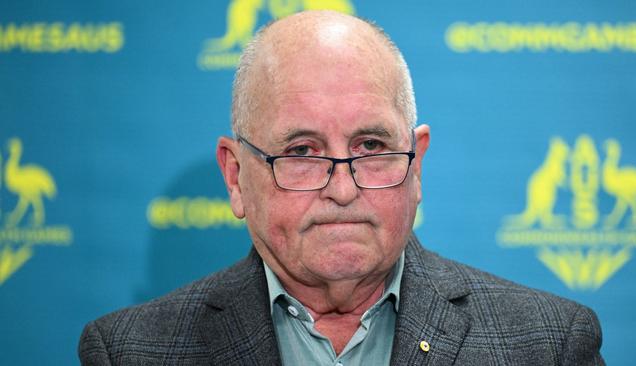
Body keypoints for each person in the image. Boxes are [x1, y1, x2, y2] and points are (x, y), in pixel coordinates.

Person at [78, 10, 604, 365]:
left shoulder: (548, 344)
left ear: (416, 166)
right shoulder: (130, 352)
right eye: (302, 152)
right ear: (236, 177)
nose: (343, 188)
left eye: (372, 147)